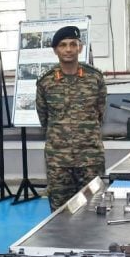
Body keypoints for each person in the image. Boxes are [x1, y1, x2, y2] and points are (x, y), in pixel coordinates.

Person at [35, 25, 107, 211]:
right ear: (55, 50)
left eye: (73, 44)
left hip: (90, 158)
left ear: (80, 48)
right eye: (63, 45)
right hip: (59, 160)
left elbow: (100, 113)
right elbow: (44, 118)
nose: (68, 49)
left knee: (94, 206)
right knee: (60, 212)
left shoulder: (95, 78)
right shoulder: (46, 81)